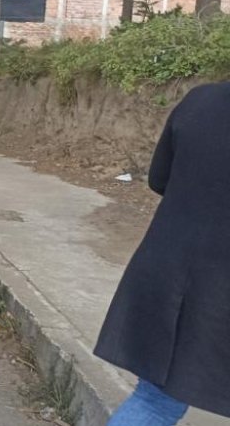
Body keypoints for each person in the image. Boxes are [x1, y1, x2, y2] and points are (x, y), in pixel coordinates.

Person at [95, 82, 230, 424]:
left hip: (170, 274)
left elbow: (159, 178)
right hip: (216, 291)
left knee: (156, 401)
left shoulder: (201, 99)